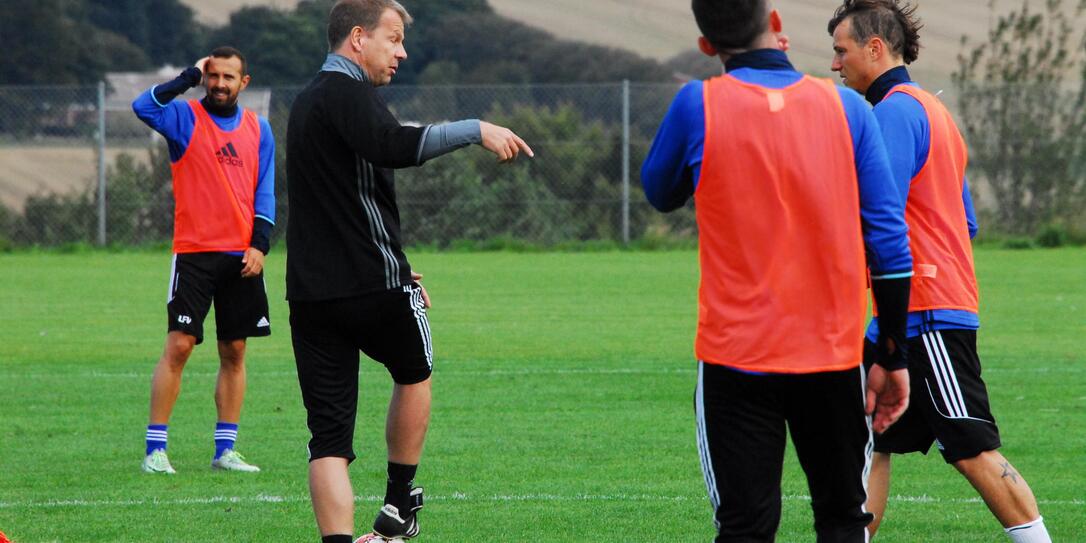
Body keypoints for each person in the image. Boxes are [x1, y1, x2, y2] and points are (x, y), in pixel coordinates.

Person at [641, 1, 916, 541]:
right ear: (775, 25)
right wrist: (892, 353)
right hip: (833, 356)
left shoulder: (696, 104)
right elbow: (888, 241)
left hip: (736, 358)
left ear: (706, 46)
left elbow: (660, 191)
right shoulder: (850, 110)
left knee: (746, 526)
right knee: (842, 519)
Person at [285, 1, 533, 541]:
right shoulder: (347, 93)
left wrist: (395, 259)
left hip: (310, 296)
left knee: (327, 441)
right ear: (357, 38)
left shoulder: (306, 103)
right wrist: (476, 128)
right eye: (393, 39)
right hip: (372, 286)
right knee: (415, 371)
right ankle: (399, 508)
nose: (401, 52)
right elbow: (393, 146)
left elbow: (338, 207)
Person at [827, 1, 1052, 541]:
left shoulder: (895, 113)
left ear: (874, 49)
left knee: (972, 448)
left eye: (841, 50)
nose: (836, 64)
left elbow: (876, 210)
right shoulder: (933, 112)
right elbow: (965, 222)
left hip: (926, 315)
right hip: (906, 313)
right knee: (870, 444)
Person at [132, 47, 274, 474]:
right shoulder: (184, 118)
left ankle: (225, 450)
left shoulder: (259, 128)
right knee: (178, 346)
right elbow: (143, 106)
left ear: (243, 83)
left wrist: (260, 246)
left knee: (234, 350)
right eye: (213, 76)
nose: (220, 84)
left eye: (229, 77)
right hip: (194, 254)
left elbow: (264, 191)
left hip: (241, 258)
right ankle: (156, 450)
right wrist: (188, 74)